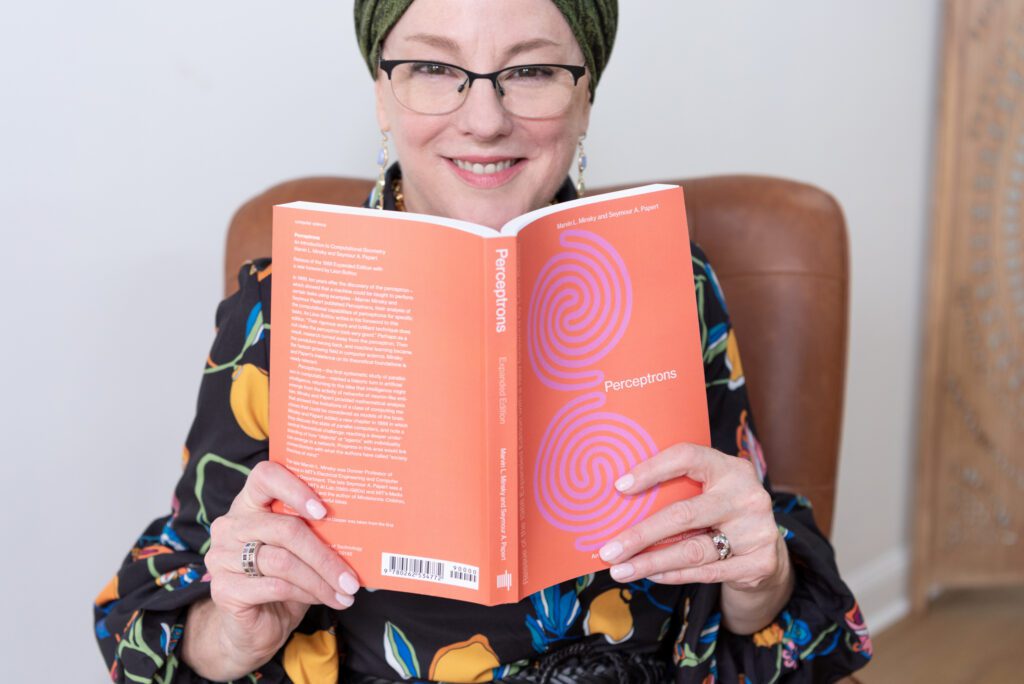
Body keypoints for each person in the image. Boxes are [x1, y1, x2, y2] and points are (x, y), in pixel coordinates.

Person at [94, 1, 874, 682]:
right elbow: (172, 587)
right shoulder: (279, 306)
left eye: (531, 72)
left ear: (586, 97)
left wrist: (758, 574)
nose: (485, 117)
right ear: (382, 96)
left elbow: (755, 584)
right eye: (436, 66)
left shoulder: (676, 279)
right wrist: (231, 632)